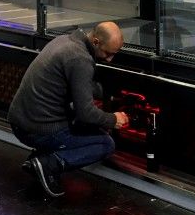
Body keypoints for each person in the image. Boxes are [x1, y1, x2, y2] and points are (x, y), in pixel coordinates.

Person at [8, 21, 130, 198]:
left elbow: (78, 84)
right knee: (104, 144)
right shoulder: (80, 59)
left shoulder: (65, 41)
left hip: (20, 120)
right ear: (95, 42)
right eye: (108, 53)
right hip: (38, 129)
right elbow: (86, 113)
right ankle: (49, 164)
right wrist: (113, 119)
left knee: (82, 123)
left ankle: (38, 159)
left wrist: (104, 93)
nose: (110, 59)